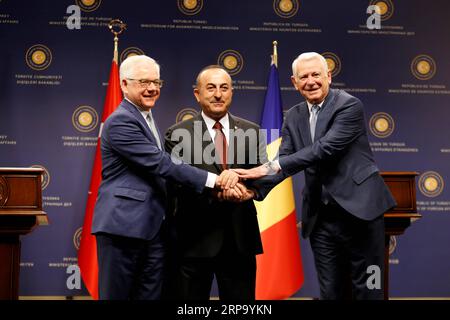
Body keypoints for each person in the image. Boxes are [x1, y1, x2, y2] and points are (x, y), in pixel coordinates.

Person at [234, 52, 396, 300]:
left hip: (362, 213)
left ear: (328, 76)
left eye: (316, 75)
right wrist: (254, 188)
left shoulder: (349, 105)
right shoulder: (294, 116)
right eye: (303, 77)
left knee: (369, 287)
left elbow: (324, 149)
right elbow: (286, 160)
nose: (310, 81)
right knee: (331, 291)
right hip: (321, 219)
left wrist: (268, 167)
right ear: (294, 82)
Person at [91, 56, 238, 300]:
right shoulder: (120, 121)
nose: (152, 88)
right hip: (123, 228)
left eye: (156, 81)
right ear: (124, 84)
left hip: (154, 229)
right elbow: (161, 164)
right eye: (144, 82)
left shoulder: (146, 118)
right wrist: (215, 181)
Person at [164, 65, 266, 300]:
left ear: (231, 92)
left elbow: (263, 173)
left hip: (240, 239)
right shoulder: (177, 133)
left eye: (224, 88)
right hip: (194, 240)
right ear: (197, 94)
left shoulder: (253, 130)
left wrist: (245, 189)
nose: (218, 94)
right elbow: (178, 181)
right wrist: (220, 191)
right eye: (211, 88)